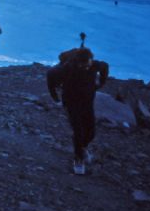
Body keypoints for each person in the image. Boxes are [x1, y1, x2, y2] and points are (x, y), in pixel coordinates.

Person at [46, 37, 109, 175]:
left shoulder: (94, 64)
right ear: (78, 62)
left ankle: (82, 148)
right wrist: (55, 97)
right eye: (84, 66)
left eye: (88, 64)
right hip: (71, 102)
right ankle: (78, 159)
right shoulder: (67, 68)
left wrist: (101, 84)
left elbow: (105, 67)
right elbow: (50, 74)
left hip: (87, 102)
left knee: (91, 131)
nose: (87, 67)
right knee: (78, 131)